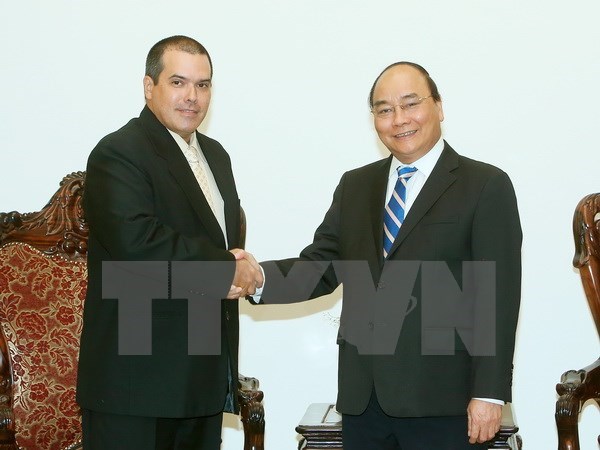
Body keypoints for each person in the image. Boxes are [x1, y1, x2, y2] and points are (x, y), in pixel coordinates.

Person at [243, 62, 522, 449]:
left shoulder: (485, 185)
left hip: (443, 403)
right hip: (364, 402)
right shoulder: (356, 185)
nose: (399, 119)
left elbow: (498, 295)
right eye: (384, 109)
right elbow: (320, 266)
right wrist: (258, 279)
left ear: (438, 107)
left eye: (410, 104)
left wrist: (489, 393)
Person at [77, 35, 262, 450]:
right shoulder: (118, 152)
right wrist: (225, 269)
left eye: (203, 84)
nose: (192, 97)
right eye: (178, 82)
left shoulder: (216, 155)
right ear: (149, 87)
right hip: (136, 386)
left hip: (201, 382)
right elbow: (137, 246)